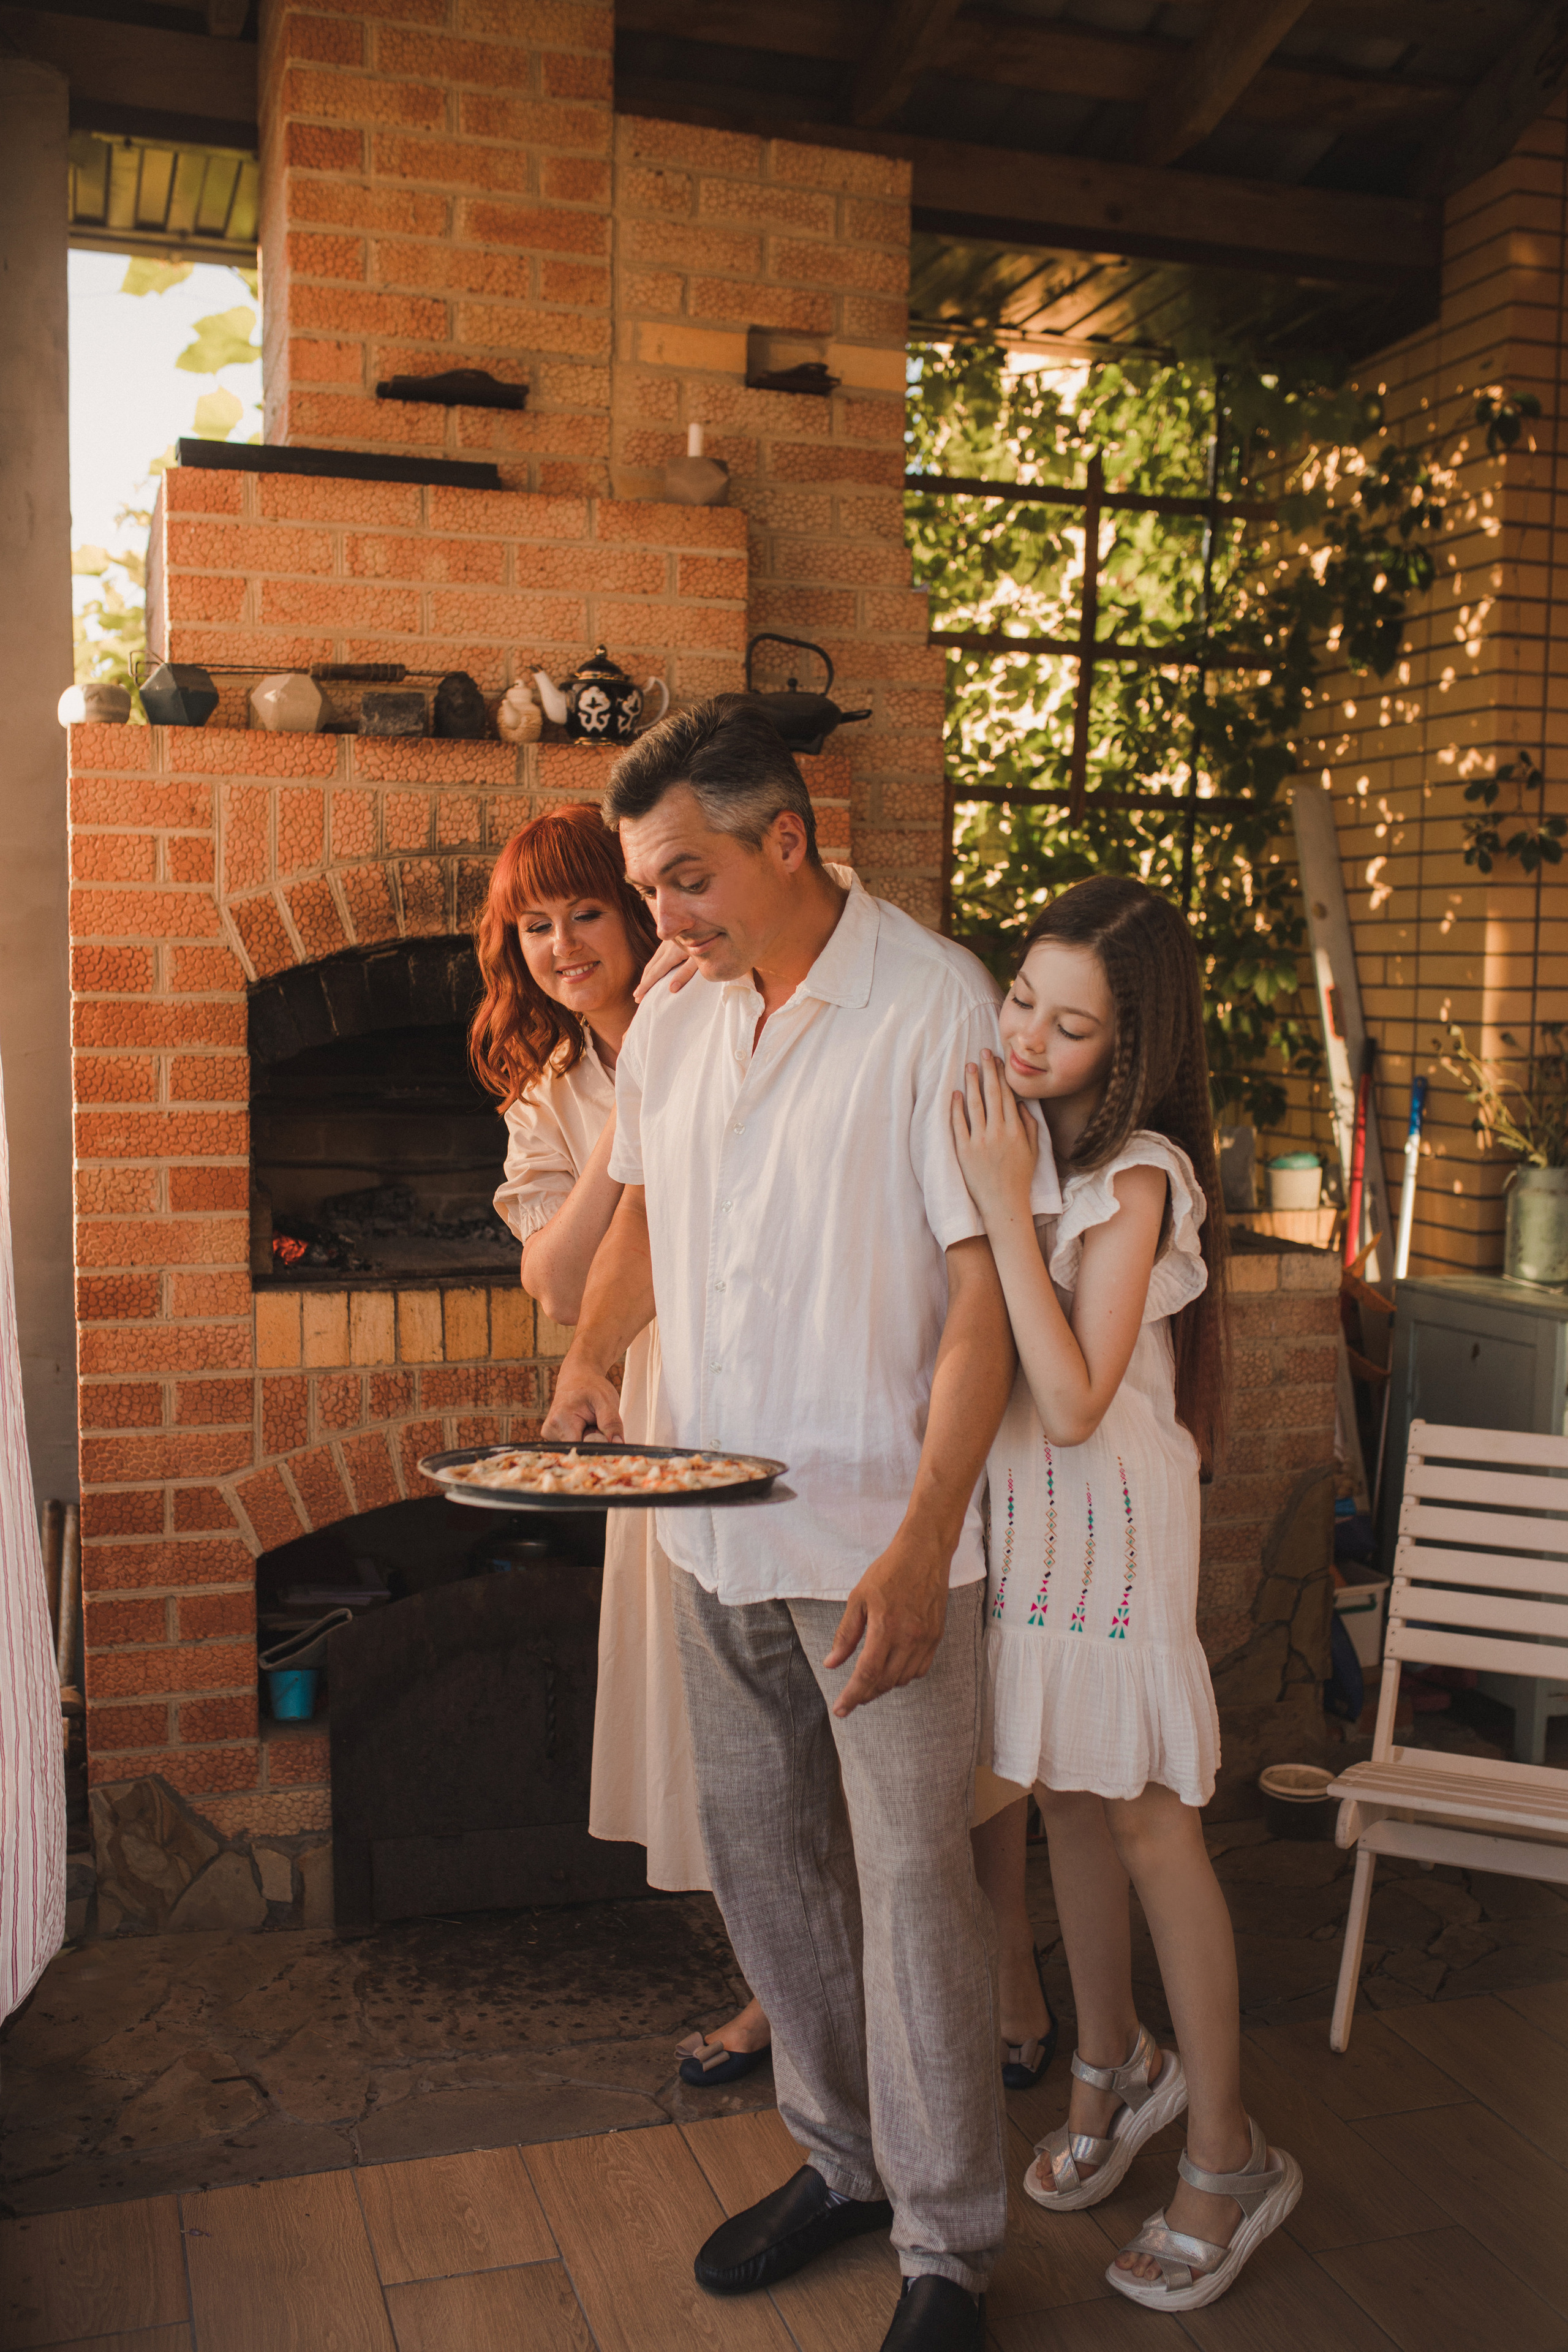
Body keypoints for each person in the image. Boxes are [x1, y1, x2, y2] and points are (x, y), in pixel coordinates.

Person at [543, 696, 1061, 2352]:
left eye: (683, 879)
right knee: (769, 1876)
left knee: (914, 1887)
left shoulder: (934, 1007)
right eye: (645, 884)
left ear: (787, 840)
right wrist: (584, 1359)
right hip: (707, 1524)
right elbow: (646, 1221)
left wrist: (924, 1541)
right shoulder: (682, 1018)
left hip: (875, 1540)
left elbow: (985, 1301)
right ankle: (837, 2162)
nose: (657, 921)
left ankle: (949, 2247)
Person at [952, 875, 1301, 2315]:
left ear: (1131, 1048)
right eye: (1021, 998)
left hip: (1110, 1531)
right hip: (1029, 1530)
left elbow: (1077, 1397)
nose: (1028, 1036)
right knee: (1062, 1794)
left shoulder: (1135, 1170)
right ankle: (1116, 2064)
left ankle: (1226, 2155)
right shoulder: (1018, 1134)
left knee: (1152, 1823)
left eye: (1069, 1024)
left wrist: (993, 1201)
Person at [470, 804, 771, 2084]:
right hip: (651, 1404)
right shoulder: (553, 1092)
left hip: (769, 1377)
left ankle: (972, 1994)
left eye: (583, 911)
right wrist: (620, 1120)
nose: (559, 944)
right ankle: (780, 1989)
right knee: (714, 1725)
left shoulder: (732, 1008)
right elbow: (552, 1282)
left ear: (637, 909)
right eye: (532, 925)